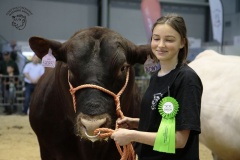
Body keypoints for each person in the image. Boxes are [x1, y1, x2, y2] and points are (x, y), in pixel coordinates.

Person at [111, 13, 203, 160]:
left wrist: (132, 135)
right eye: (156, 38)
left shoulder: (187, 80)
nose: (160, 45)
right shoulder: (156, 77)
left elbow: (179, 140)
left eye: (169, 40)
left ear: (182, 43)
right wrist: (135, 123)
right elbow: (161, 123)